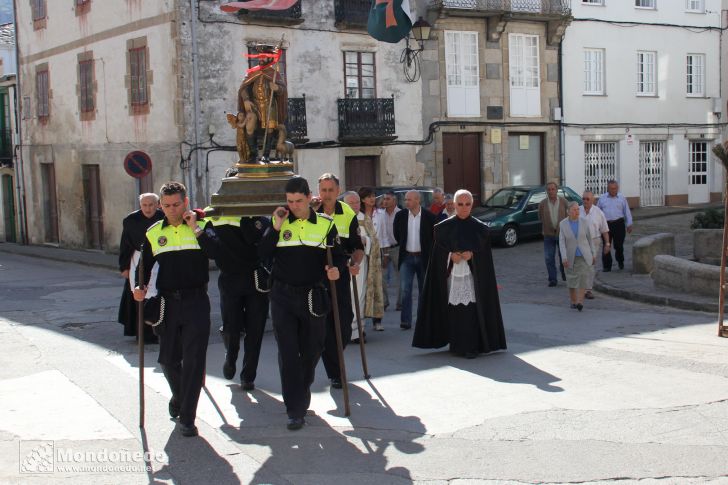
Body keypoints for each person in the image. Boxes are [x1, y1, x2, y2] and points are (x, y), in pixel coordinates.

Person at [133, 182, 217, 438]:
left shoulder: (202, 227)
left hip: (196, 301)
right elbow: (144, 266)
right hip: (168, 303)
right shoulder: (154, 232)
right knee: (168, 360)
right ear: (161, 206)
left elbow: (218, 254)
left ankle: (188, 418)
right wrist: (139, 287)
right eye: (167, 205)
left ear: (186, 202)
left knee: (193, 361)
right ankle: (180, 397)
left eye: (176, 204)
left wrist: (197, 229)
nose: (172, 210)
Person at [258, 176, 341, 430]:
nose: (293, 205)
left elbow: (335, 256)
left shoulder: (326, 224)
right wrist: (275, 227)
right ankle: (295, 409)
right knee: (287, 351)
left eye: (298, 201)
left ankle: (302, 384)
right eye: (290, 201)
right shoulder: (279, 222)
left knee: (314, 347)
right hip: (282, 295)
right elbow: (262, 254)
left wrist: (335, 270)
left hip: (313, 295)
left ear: (308, 198)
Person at [413, 189, 507, 358]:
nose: (464, 208)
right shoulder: (443, 228)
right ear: (454, 205)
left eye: (468, 204)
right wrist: (450, 256)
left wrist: (473, 256)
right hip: (451, 277)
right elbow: (437, 255)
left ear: (472, 205)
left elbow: (485, 259)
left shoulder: (480, 228)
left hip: (472, 280)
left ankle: (471, 346)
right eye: (460, 204)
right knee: (453, 311)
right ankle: (455, 345)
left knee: (471, 311)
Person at [202, 211, 270, 391]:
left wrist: (248, 218)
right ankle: (231, 356)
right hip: (230, 278)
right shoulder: (213, 218)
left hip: (255, 278)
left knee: (255, 330)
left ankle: (248, 375)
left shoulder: (260, 219)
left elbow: (257, 242)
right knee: (232, 327)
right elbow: (211, 250)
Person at [315, 174, 364, 389]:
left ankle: (336, 359)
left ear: (338, 190)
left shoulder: (347, 214)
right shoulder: (310, 212)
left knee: (344, 324)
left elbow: (358, 247)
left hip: (342, 276)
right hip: (317, 278)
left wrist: (354, 261)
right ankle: (335, 373)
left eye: (330, 190)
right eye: (323, 190)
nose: (326, 194)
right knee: (325, 326)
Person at [117, 193, 163, 342]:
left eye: (151, 205)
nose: (148, 209)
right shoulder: (131, 220)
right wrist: (124, 266)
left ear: (158, 205)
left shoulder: (164, 218)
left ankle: (161, 330)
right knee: (140, 294)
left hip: (160, 258)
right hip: (138, 259)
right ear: (140, 205)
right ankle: (144, 333)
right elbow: (125, 244)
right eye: (144, 205)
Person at [393, 191, 436, 330]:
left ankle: (422, 320)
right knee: (406, 290)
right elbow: (397, 234)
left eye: (409, 199)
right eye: (405, 199)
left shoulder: (430, 217)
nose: (406, 202)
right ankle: (406, 321)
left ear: (418, 200)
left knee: (424, 290)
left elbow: (434, 237)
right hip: (407, 258)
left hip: (423, 257)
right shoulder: (400, 216)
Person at [237, 45, 288, 162]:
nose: (261, 59)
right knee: (249, 123)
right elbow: (243, 88)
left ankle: (266, 154)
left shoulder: (274, 73)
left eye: (263, 57)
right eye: (260, 57)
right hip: (254, 105)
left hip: (269, 105)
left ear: (270, 58)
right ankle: (253, 154)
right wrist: (246, 100)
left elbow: (282, 89)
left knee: (269, 128)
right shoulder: (252, 72)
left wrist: (277, 88)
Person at [559, 202, 596, 312]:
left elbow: (590, 239)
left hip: (584, 255)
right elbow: (561, 242)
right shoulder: (563, 224)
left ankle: (580, 302)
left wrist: (593, 254)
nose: (577, 212)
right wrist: (564, 257)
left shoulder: (584, 222)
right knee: (571, 280)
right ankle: (573, 301)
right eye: (574, 210)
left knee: (583, 279)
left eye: (578, 210)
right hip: (570, 257)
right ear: (568, 212)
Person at [341, 191, 368, 343]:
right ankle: (345, 330)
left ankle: (358, 331)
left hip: (360, 263)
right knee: (345, 296)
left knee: (359, 296)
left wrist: (367, 241)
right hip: (343, 264)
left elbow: (375, 242)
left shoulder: (365, 220)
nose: (355, 206)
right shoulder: (340, 219)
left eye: (357, 202)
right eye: (351, 203)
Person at [358, 187, 385, 332]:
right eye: (368, 196)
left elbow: (384, 234)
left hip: (376, 254)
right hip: (363, 256)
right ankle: (360, 321)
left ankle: (377, 320)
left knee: (377, 287)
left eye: (373, 196)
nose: (372, 199)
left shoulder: (380, 214)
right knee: (363, 288)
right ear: (362, 199)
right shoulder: (359, 216)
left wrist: (384, 253)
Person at [597, 180, 633, 272]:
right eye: (612, 189)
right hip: (606, 225)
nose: (614, 190)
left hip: (619, 224)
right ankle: (607, 266)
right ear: (608, 189)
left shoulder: (622, 198)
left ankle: (620, 261)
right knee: (606, 244)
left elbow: (627, 212)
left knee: (619, 245)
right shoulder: (602, 198)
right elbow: (597, 212)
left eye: (615, 188)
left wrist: (629, 224)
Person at [579, 191, 610, 299]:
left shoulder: (599, 212)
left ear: (593, 200)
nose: (585, 201)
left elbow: (604, 230)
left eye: (587, 199)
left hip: (594, 241)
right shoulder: (577, 211)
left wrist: (607, 243)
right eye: (583, 199)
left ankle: (588, 290)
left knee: (590, 265)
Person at [537, 182, 568, 287]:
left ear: (556, 190)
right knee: (549, 258)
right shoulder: (542, 203)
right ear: (546, 191)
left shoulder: (564, 202)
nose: (551, 191)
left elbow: (568, 217)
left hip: (562, 235)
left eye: (552, 189)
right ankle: (553, 279)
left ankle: (565, 273)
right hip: (548, 235)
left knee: (563, 256)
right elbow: (540, 217)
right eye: (548, 190)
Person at [378, 190, 401, 312]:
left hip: (397, 248)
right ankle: (384, 302)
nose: (385, 201)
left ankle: (400, 303)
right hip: (383, 248)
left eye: (388, 199)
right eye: (384, 199)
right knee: (381, 277)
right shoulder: (380, 214)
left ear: (394, 200)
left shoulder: (401, 213)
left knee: (401, 276)